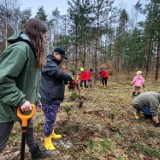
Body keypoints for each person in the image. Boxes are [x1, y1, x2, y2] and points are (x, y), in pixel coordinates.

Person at [0, 18, 51, 159]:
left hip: (23, 104)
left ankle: (34, 151)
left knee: (29, 127)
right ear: (37, 33)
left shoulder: (32, 51)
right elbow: (3, 80)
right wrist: (20, 100)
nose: (45, 40)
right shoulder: (20, 49)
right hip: (5, 107)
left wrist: (37, 98)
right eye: (44, 36)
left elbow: (31, 81)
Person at [40, 47, 72, 151]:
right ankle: (47, 141)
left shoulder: (53, 64)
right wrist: (69, 77)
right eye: (61, 57)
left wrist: (67, 81)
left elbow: (56, 78)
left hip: (54, 96)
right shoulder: (49, 63)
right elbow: (59, 73)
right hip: (49, 97)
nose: (62, 59)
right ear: (56, 54)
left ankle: (52, 133)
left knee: (52, 117)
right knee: (50, 119)